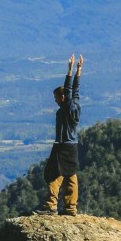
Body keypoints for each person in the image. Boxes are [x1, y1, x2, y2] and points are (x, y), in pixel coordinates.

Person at [35, 53, 83, 216]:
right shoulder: (75, 106)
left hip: (63, 145)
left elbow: (70, 90)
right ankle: (71, 207)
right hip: (73, 146)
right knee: (70, 175)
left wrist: (70, 70)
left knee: (53, 174)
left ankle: (51, 205)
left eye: (56, 98)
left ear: (63, 97)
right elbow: (75, 91)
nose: (55, 101)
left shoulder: (68, 108)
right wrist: (78, 71)